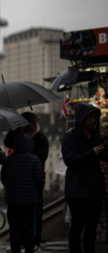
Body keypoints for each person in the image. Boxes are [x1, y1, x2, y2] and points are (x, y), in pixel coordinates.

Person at [63, 103, 107, 253]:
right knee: (78, 225)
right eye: (90, 118)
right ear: (82, 118)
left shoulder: (96, 137)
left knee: (91, 227)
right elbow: (70, 160)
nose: (93, 121)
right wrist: (93, 153)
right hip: (78, 190)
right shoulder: (70, 136)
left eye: (95, 118)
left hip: (94, 189)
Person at [4, 112, 48, 251]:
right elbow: (7, 141)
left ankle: (33, 243)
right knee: (25, 221)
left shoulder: (40, 138)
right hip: (29, 189)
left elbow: (41, 158)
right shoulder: (17, 138)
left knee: (29, 220)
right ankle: (26, 245)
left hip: (25, 189)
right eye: (32, 122)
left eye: (36, 123)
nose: (35, 125)